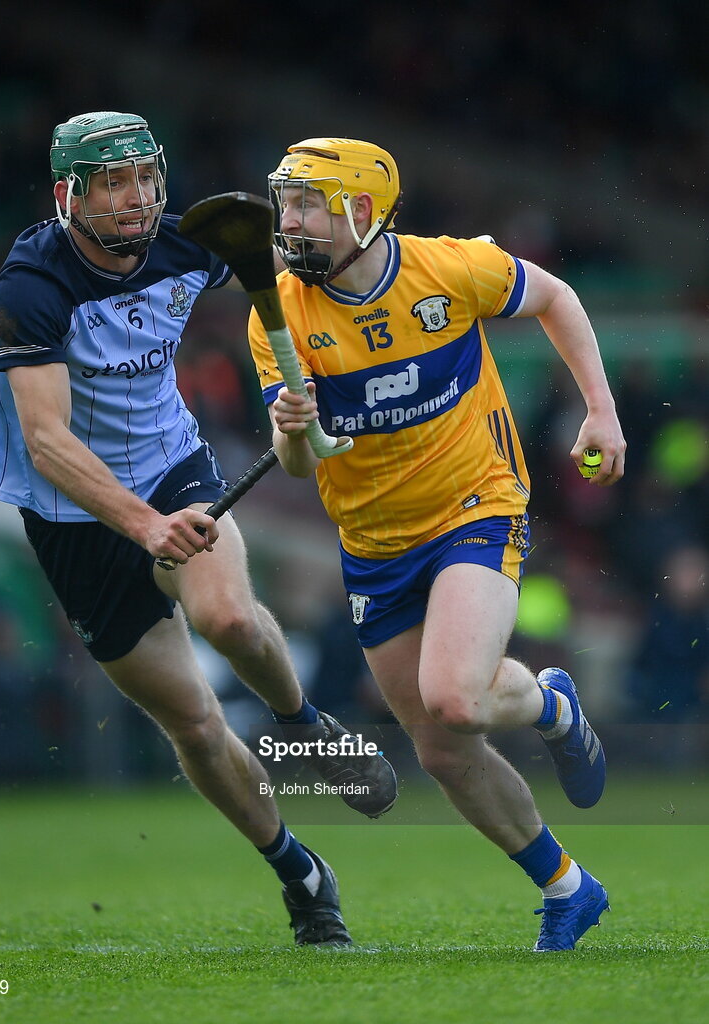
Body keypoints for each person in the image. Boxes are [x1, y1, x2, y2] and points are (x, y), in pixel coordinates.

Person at [0, 112, 398, 946]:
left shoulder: (190, 244)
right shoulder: (32, 287)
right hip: (74, 513)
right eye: (111, 183)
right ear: (69, 194)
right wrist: (142, 526)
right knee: (196, 724)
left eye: (143, 177)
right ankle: (300, 872)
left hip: (174, 464)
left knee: (230, 618)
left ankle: (302, 723)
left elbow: (307, 268)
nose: (135, 200)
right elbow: (48, 442)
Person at [248, 137, 627, 952]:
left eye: (306, 204)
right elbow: (298, 461)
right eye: (285, 202)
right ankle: (568, 886)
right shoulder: (275, 311)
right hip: (373, 544)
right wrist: (291, 431)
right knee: (443, 749)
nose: (288, 221)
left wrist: (600, 407)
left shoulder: (449, 269)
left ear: (360, 211)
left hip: (475, 503)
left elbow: (556, 297)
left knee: (456, 698)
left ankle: (552, 706)